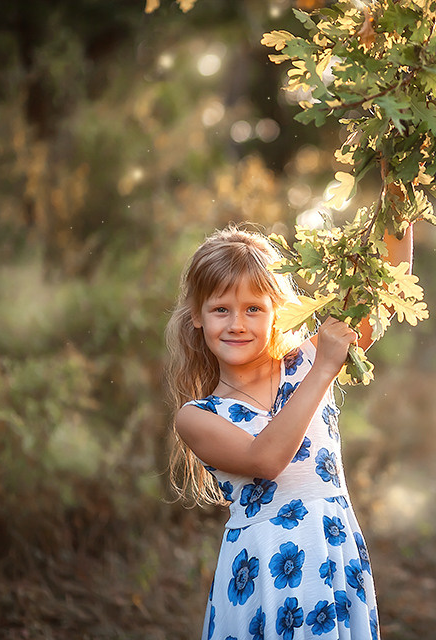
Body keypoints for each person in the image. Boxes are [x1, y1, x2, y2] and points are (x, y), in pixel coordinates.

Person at [166, 223, 412, 639]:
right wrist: (325, 370)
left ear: (276, 310)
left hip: (331, 555)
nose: (237, 324)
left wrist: (398, 193)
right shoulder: (198, 416)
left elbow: (388, 290)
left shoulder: (305, 360)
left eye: (253, 309)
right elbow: (265, 459)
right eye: (221, 309)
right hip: (264, 576)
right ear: (196, 314)